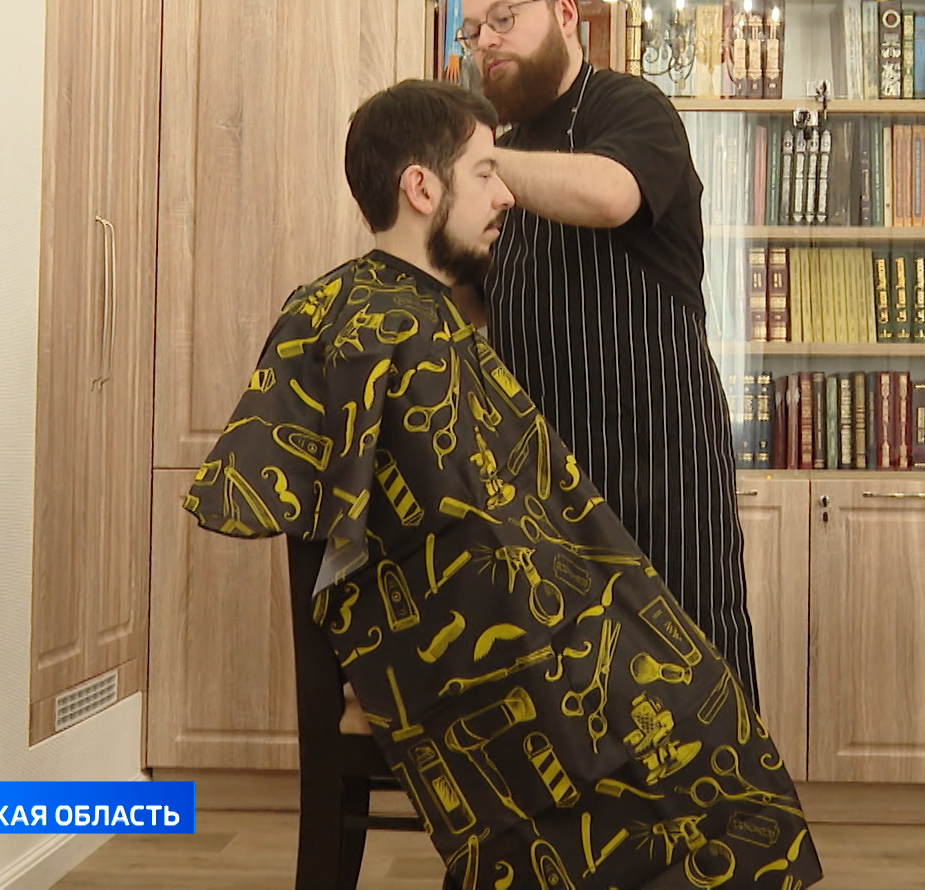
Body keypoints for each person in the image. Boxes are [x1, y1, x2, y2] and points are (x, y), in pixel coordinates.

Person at [184, 80, 820, 890]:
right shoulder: (390, 325)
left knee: (694, 691)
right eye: (486, 173)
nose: (507, 195)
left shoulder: (394, 312)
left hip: (492, 617)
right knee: (699, 728)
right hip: (464, 653)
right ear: (423, 188)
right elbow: (450, 536)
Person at [453, 0, 762, 708]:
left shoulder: (631, 106)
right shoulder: (504, 148)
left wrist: (477, 160)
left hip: (659, 459)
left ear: (565, 14)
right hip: (544, 470)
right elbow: (475, 298)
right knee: (574, 698)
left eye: (503, 19)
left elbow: (612, 195)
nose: (486, 41)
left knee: (693, 675)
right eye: (471, 30)